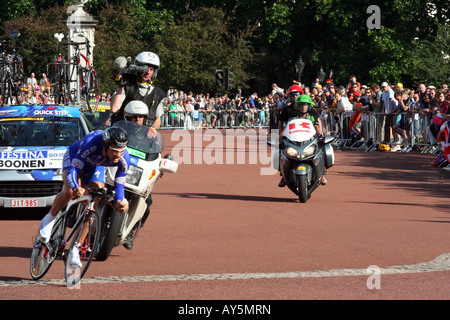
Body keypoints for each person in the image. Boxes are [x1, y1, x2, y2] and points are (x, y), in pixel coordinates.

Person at [37, 126, 130, 267]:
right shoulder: (92, 143)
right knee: (70, 192)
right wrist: (75, 187)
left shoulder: (124, 158)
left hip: (95, 166)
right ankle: (49, 219)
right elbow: (74, 169)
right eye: (115, 151)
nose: (118, 155)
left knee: (97, 194)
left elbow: (119, 185)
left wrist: (119, 201)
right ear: (105, 146)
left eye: (121, 151)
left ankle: (76, 248)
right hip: (74, 158)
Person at [278, 94, 327, 187]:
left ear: (308, 106)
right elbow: (288, 128)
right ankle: (283, 175)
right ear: (297, 106)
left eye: (305, 105)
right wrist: (281, 135)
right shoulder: (292, 118)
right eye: (301, 105)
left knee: (322, 149)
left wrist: (320, 134)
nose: (303, 107)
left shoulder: (312, 117)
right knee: (282, 151)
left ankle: (322, 172)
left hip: (309, 141)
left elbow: (317, 126)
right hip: (295, 141)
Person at [110, 51, 166, 130]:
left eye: (151, 69)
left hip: (144, 136)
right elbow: (114, 109)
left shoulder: (159, 94)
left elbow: (158, 119)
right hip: (123, 133)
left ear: (154, 72)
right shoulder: (127, 87)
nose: (148, 72)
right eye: (145, 68)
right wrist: (120, 87)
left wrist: (153, 128)